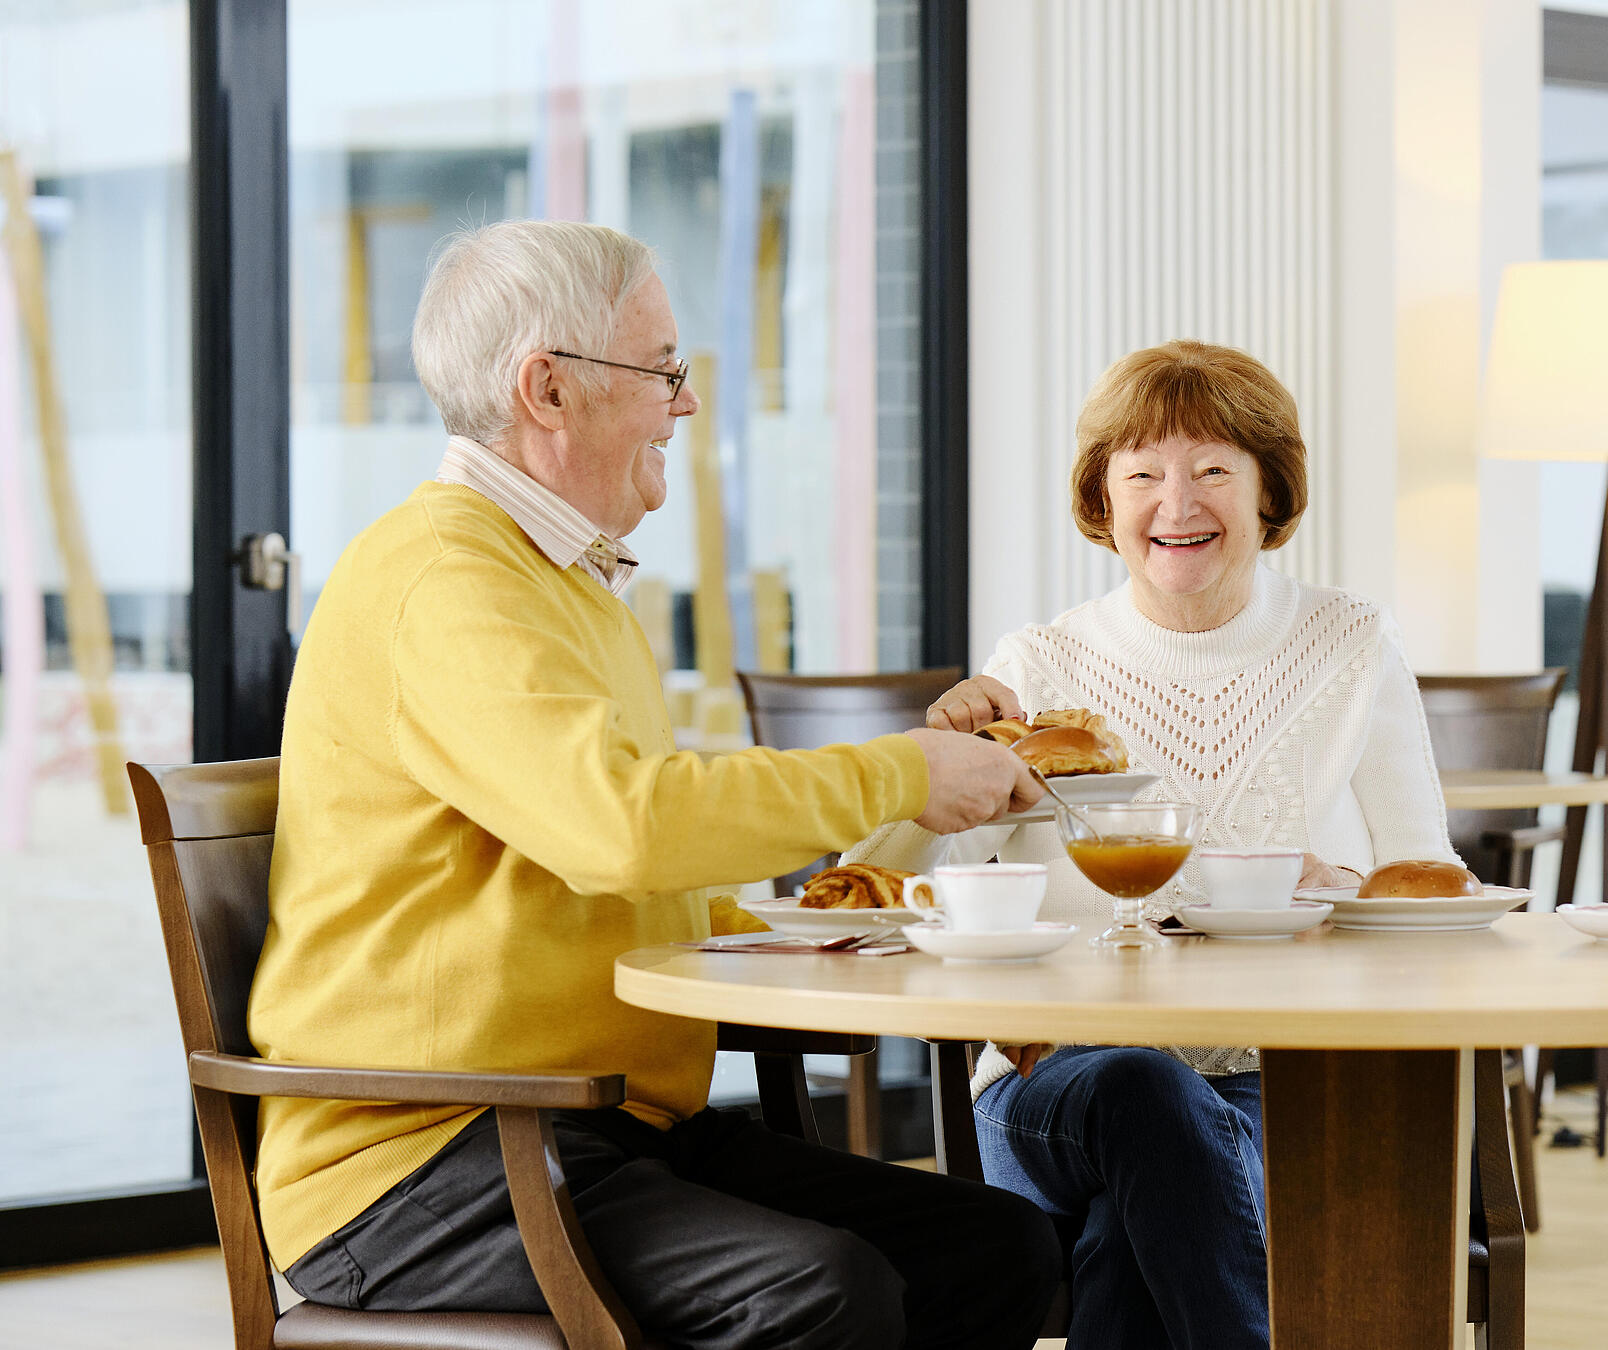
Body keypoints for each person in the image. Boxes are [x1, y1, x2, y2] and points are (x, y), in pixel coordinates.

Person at [250, 219, 1060, 1350]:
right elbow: (622, 829)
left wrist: (820, 931)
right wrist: (899, 772)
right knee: (820, 1291)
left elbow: (623, 868)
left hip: (592, 1126)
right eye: (664, 371)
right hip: (421, 1160)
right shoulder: (445, 577)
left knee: (995, 1249)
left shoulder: (567, 583)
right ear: (549, 390)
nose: (685, 404)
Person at [846, 339, 1464, 1349]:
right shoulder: (1035, 669)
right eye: (1142, 474)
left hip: (1284, 1083)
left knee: (1130, 1237)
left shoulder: (1350, 645)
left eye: (1215, 469)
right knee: (1142, 1087)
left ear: (1271, 492)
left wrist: (1336, 888)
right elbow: (885, 892)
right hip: (1055, 1084)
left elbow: (1428, 890)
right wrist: (928, 764)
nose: (1176, 504)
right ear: (1105, 500)